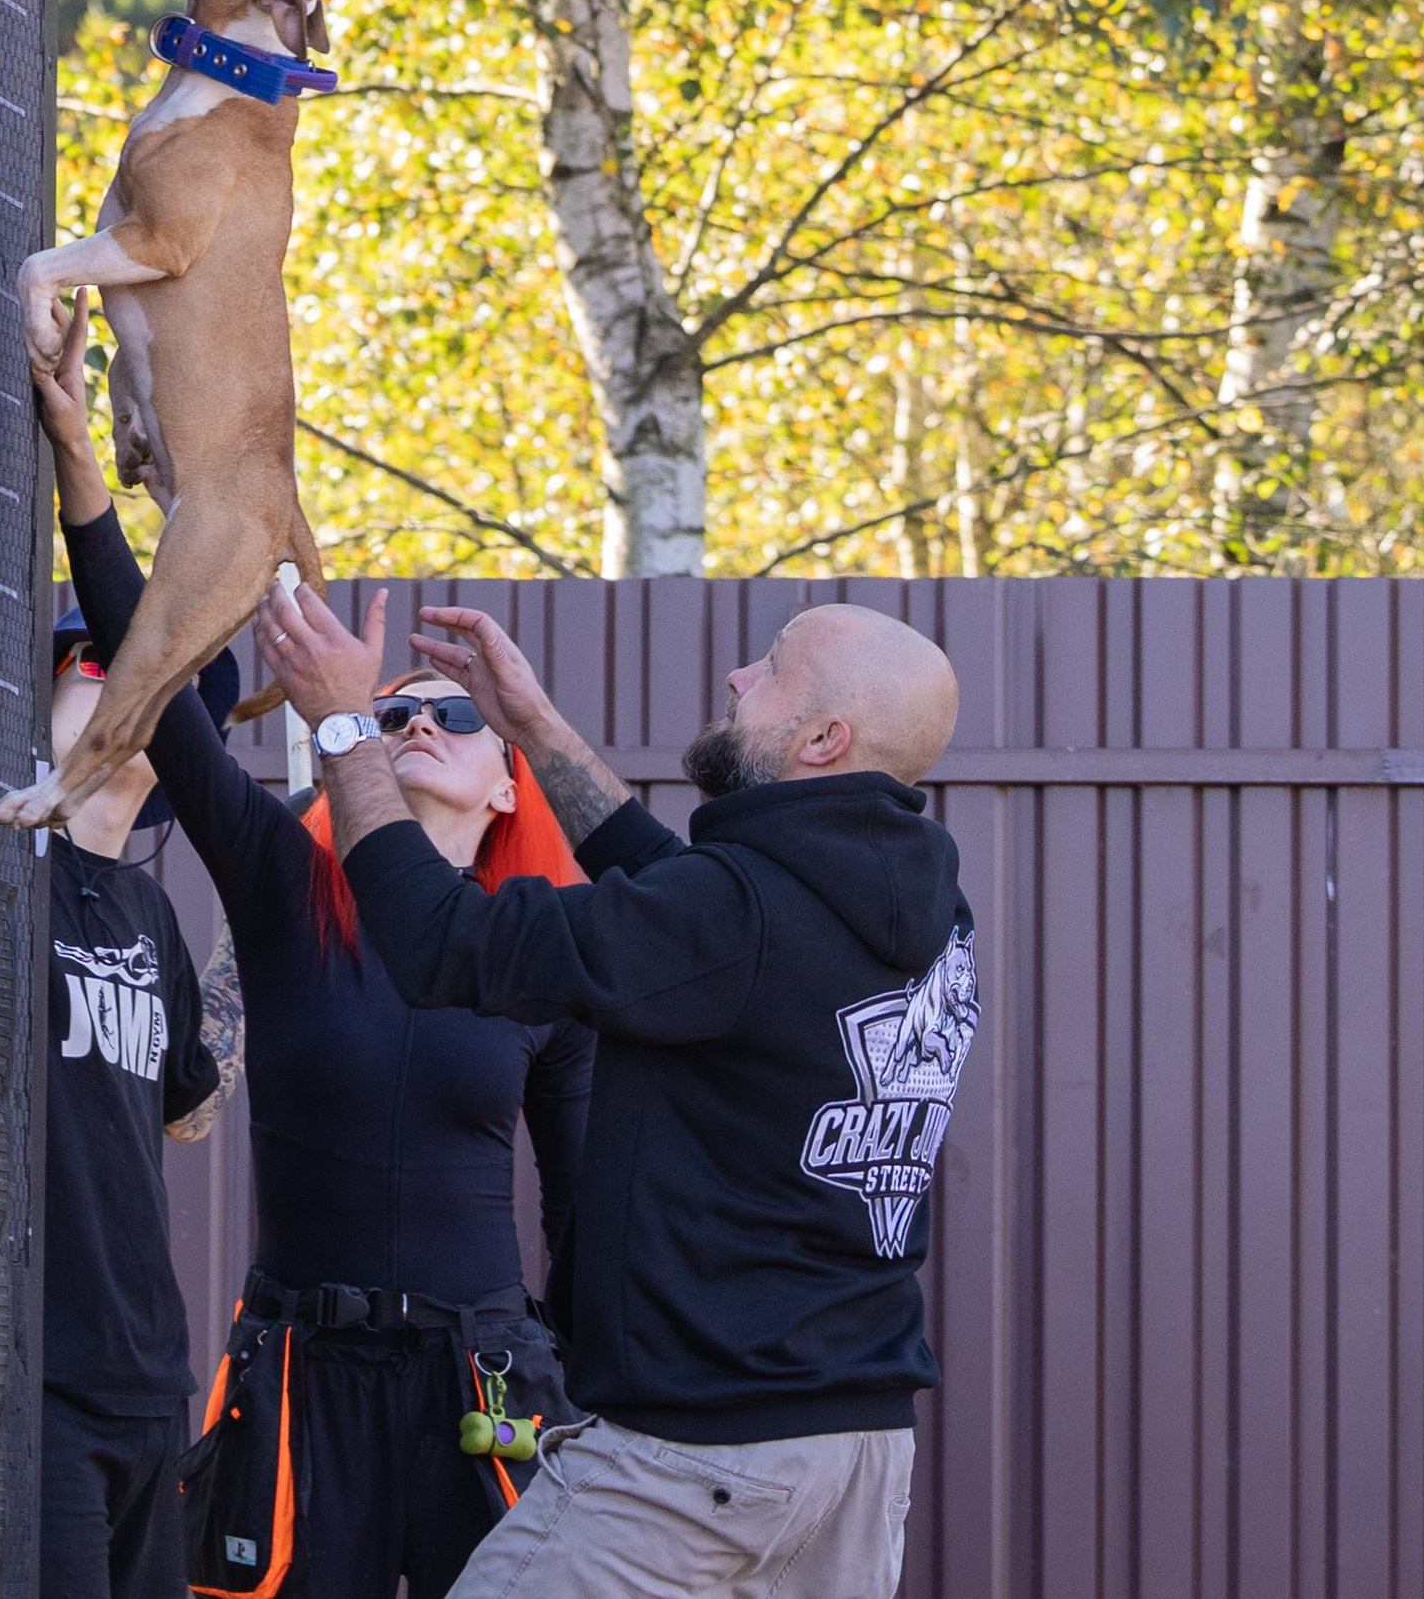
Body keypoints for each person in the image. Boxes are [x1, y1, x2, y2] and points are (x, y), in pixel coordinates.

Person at [13, 302, 595, 1599]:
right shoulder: (288, 887)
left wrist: (593, 1396)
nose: (416, 723)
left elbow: (584, 1207)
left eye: (453, 716)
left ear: (509, 781)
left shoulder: (543, 947)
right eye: (390, 713)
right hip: (301, 1374)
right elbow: (159, 700)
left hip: (485, 1381)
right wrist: (84, 479)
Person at [257, 574, 975, 1599]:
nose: (737, 677)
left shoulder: (733, 920)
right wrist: (535, 729)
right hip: (854, 1456)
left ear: (824, 740)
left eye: (771, 670)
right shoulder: (925, 916)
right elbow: (676, 894)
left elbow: (439, 940)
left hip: (696, 1457)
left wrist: (342, 728)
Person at [40, 604, 229, 1599]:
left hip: (149, 1375)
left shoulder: (150, 911)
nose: (144, 676)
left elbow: (187, 1112)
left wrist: (260, 934)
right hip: (28, 1372)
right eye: (107, 657)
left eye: (175, 673)